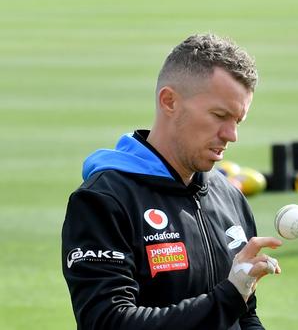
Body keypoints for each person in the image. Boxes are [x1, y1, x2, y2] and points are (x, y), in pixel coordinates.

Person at [61, 33, 281, 330]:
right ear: (169, 101)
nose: (232, 135)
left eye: (238, 121)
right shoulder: (103, 201)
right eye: (219, 115)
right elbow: (107, 321)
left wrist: (236, 299)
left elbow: (243, 316)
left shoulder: (229, 197)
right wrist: (229, 296)